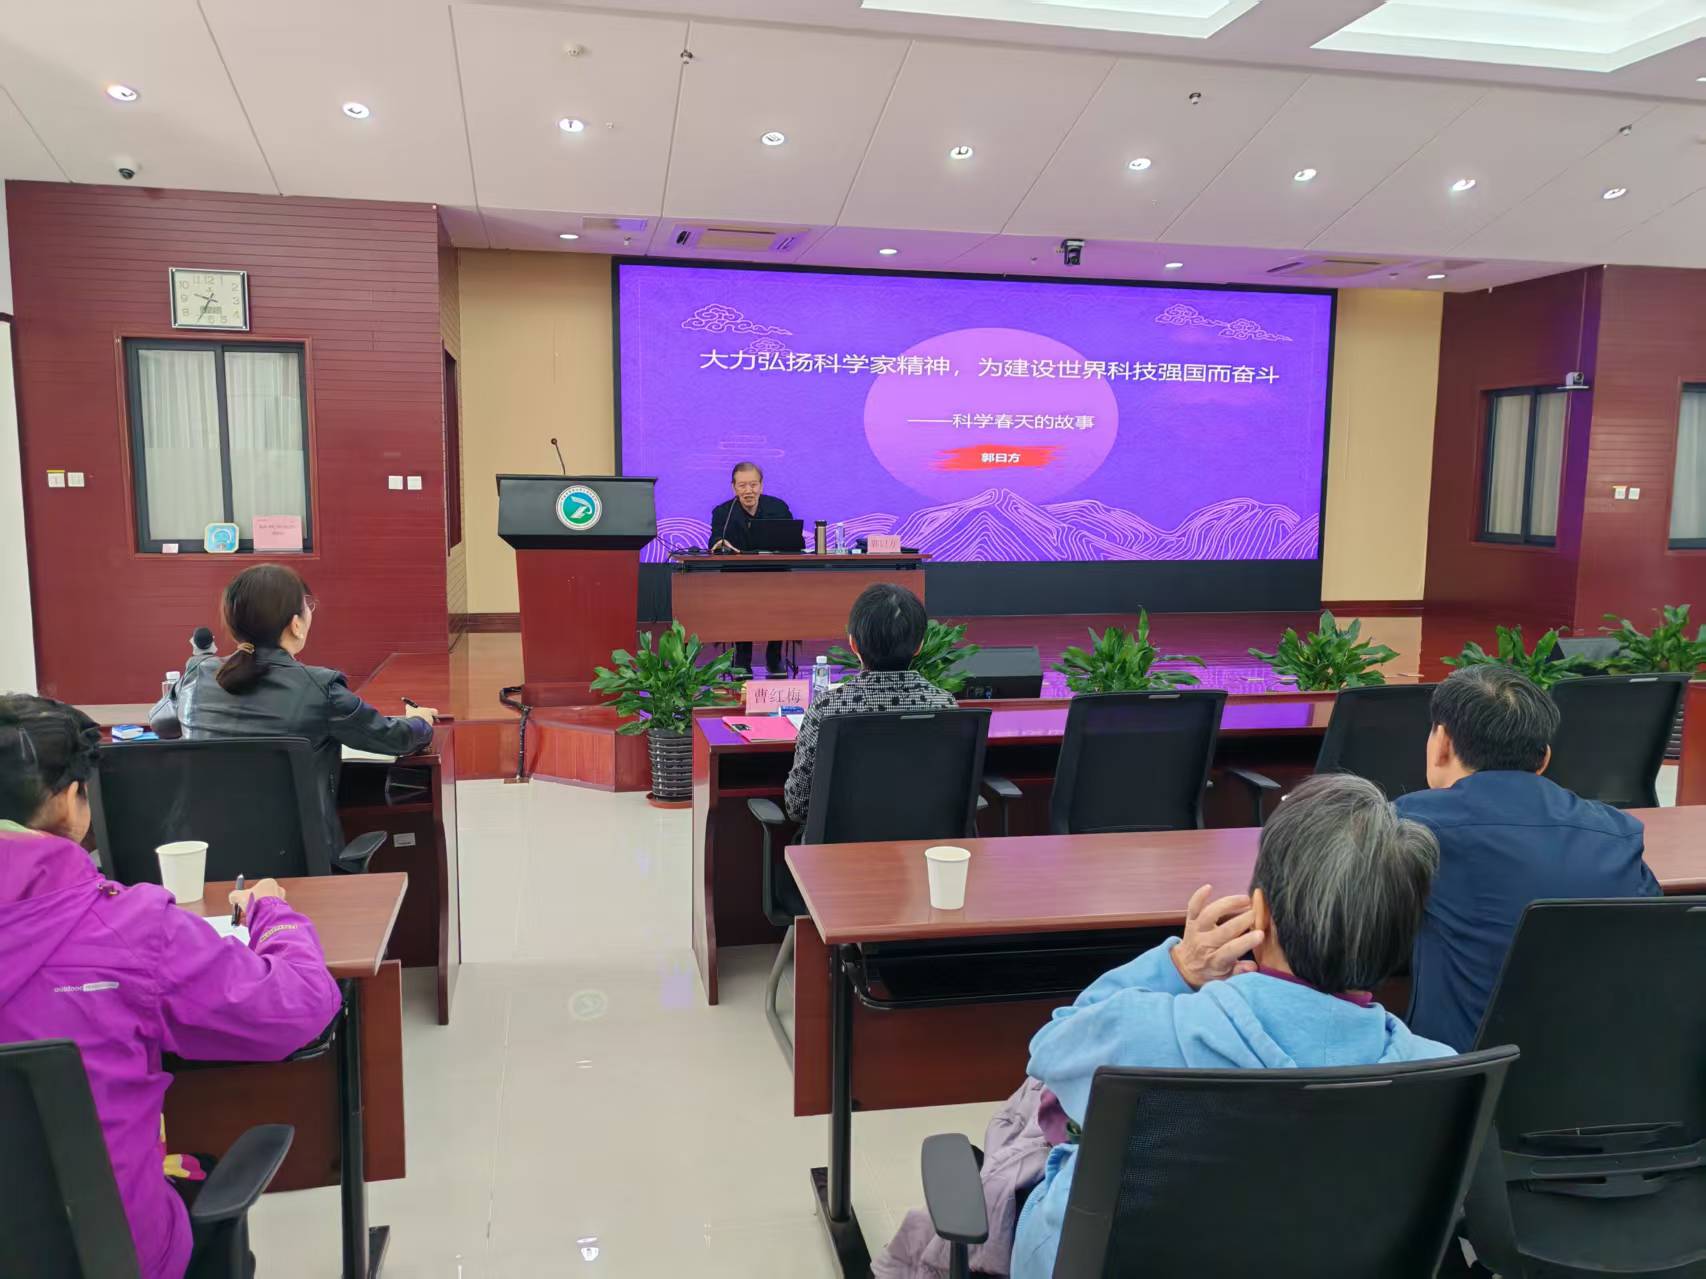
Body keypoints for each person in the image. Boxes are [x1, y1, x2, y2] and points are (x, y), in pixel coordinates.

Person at [1011, 774, 1449, 1279]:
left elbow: (1052, 1047)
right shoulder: (1435, 1075)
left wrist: (1178, 966)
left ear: (1259, 912)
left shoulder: (1149, 1035)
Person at [0, 694, 342, 1279]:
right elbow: (299, 1006)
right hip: (108, 1254)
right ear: (66, 800)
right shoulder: (126, 929)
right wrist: (273, 916)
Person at [1395, 665, 1658, 1051]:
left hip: (1462, 1074)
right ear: (1544, 758)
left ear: (1442, 743)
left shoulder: (1411, 825)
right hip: (1595, 1065)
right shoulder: (1618, 833)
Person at [153, 563, 437, 855]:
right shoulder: (320, 688)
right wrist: (421, 723)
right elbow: (393, 738)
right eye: (307, 606)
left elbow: (161, 724)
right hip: (297, 858)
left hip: (200, 857)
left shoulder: (198, 673)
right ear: (295, 624)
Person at [783, 583, 956, 821]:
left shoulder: (828, 707)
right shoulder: (944, 704)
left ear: (853, 644)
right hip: (923, 841)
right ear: (919, 646)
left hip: (840, 843)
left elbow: (798, 805)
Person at [709, 461, 794, 675]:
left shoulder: (778, 508)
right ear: (734, 488)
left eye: (753, 485)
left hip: (774, 576)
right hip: (739, 577)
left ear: (761, 486)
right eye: (742, 485)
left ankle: (774, 658)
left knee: (779, 603)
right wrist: (719, 543)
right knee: (740, 605)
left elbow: (793, 541)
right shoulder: (723, 512)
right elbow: (715, 539)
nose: (748, 491)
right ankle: (742, 660)